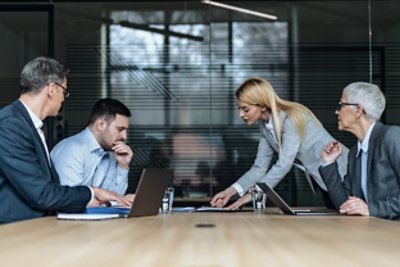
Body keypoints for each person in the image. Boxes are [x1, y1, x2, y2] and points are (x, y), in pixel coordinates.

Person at [0, 56, 130, 224]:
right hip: (14, 233)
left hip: (33, 228)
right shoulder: (10, 125)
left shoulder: (30, 126)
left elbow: (48, 190)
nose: (63, 98)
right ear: (52, 89)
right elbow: (42, 195)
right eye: (64, 91)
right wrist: (92, 192)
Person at [210, 77, 348, 209]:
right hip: (324, 180)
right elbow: (259, 168)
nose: (241, 114)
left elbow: (284, 164)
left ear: (263, 105)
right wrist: (230, 192)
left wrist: (253, 194)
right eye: (239, 109)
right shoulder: (265, 126)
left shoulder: (290, 118)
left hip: (344, 174)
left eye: (245, 109)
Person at [319, 82, 400, 219]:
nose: (336, 111)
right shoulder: (354, 152)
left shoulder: (391, 137)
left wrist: (371, 209)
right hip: (374, 232)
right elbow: (344, 205)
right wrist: (329, 163)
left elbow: (368, 210)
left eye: (341, 105)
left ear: (358, 110)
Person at [51, 98, 133, 198]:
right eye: (120, 129)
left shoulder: (110, 153)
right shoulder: (72, 150)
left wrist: (122, 166)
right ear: (100, 125)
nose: (125, 136)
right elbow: (71, 200)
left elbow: (114, 199)